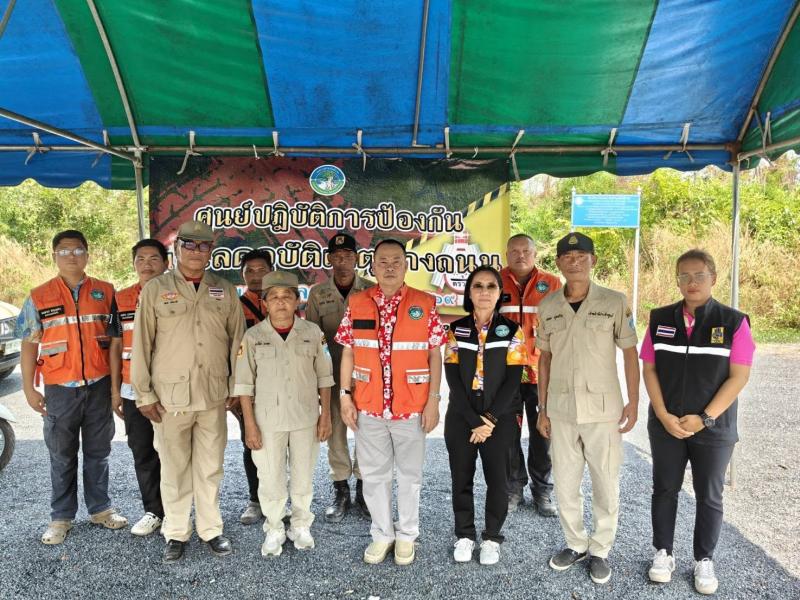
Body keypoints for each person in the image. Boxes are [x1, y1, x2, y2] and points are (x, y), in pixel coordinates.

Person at [131, 220, 246, 564]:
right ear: (177, 248)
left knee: (210, 467)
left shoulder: (224, 290)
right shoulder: (155, 289)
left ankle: (211, 529)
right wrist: (143, 394)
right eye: (190, 245)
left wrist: (237, 386)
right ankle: (176, 532)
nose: (197, 251)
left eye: (204, 245)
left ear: (212, 250)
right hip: (170, 397)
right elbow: (142, 344)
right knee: (174, 468)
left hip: (213, 394)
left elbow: (238, 343)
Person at [641, 249, 754, 595]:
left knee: (709, 495)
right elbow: (649, 369)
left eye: (699, 275)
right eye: (684, 276)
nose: (691, 282)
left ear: (713, 278)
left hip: (713, 428)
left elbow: (739, 376)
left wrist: (705, 418)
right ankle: (663, 553)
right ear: (677, 280)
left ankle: (704, 559)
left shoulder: (734, 322)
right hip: (667, 424)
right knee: (664, 489)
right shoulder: (659, 319)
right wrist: (663, 414)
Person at [536, 232, 639, 585]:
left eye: (581, 256)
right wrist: (542, 408)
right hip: (561, 409)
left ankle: (600, 549)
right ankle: (575, 543)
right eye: (567, 257)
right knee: (565, 482)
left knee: (605, 482)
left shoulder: (614, 301)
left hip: (603, 409)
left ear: (593, 261)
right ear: (558, 263)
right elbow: (544, 359)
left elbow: (630, 353)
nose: (574, 261)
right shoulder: (548, 306)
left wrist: (633, 401)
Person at [335, 239, 446, 566]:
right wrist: (344, 396)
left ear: (406, 265)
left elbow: (434, 355)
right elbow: (348, 351)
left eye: (396, 260)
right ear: (372, 266)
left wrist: (434, 401)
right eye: (382, 261)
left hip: (411, 406)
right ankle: (382, 534)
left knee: (410, 476)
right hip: (368, 406)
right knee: (374, 476)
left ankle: (407, 534)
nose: (389, 267)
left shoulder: (424, 302)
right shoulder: (358, 302)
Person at [17, 229, 128, 545]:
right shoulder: (39, 296)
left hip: (99, 385)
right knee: (62, 455)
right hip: (60, 389)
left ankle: (101, 509)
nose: (71, 256)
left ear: (87, 255)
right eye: (64, 251)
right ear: (54, 256)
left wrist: (116, 387)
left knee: (98, 452)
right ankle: (61, 517)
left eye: (78, 250)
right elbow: (29, 344)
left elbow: (118, 342)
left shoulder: (106, 292)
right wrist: (29, 388)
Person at [234, 271, 334, 556]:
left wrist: (325, 415)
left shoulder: (313, 333)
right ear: (264, 303)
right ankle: (275, 527)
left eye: (287, 296)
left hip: (305, 418)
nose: (280, 302)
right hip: (268, 421)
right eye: (274, 297)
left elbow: (325, 378)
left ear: (297, 300)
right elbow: (244, 385)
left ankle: (301, 524)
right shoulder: (253, 337)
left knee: (303, 476)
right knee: (270, 478)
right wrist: (249, 425)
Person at [444, 265, 528, 566]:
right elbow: (452, 378)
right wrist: (473, 420)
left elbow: (513, 379)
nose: (484, 291)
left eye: (491, 286)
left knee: (498, 481)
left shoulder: (512, 330)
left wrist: (490, 419)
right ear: (469, 292)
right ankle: (464, 535)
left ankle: (492, 537)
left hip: (500, 417)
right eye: (477, 286)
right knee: (461, 479)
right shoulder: (456, 329)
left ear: (499, 293)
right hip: (462, 416)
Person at [305, 232, 373, 522]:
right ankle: (341, 489)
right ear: (330, 259)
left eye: (347, 256)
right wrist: (315, 381)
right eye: (337, 256)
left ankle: (364, 489)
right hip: (332, 377)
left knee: (368, 432)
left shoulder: (371, 290)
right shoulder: (318, 294)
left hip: (368, 377)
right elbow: (311, 338)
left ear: (356, 258)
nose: (342, 261)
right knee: (335, 432)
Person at [500, 233, 562, 515]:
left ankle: (543, 491)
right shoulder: (496, 281)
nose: (520, 255)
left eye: (526, 250)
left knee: (544, 434)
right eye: (514, 251)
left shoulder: (552, 283)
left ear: (535, 254)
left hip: (542, 372)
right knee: (508, 434)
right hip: (507, 373)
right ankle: (513, 489)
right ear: (506, 254)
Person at [110, 239, 168, 536]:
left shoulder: (177, 294)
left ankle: (177, 512)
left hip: (170, 389)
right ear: (134, 264)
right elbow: (116, 345)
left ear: (166, 263)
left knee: (175, 453)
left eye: (154, 258)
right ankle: (154, 511)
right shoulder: (120, 299)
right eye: (140, 259)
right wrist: (115, 391)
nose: (147, 264)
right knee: (143, 451)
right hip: (133, 389)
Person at [236, 248, 273, 526]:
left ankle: (278, 499)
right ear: (242, 275)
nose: (256, 276)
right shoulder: (235, 306)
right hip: (248, 389)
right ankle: (255, 500)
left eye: (262, 270)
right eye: (250, 271)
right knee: (252, 442)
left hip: (280, 387)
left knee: (281, 445)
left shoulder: (283, 301)